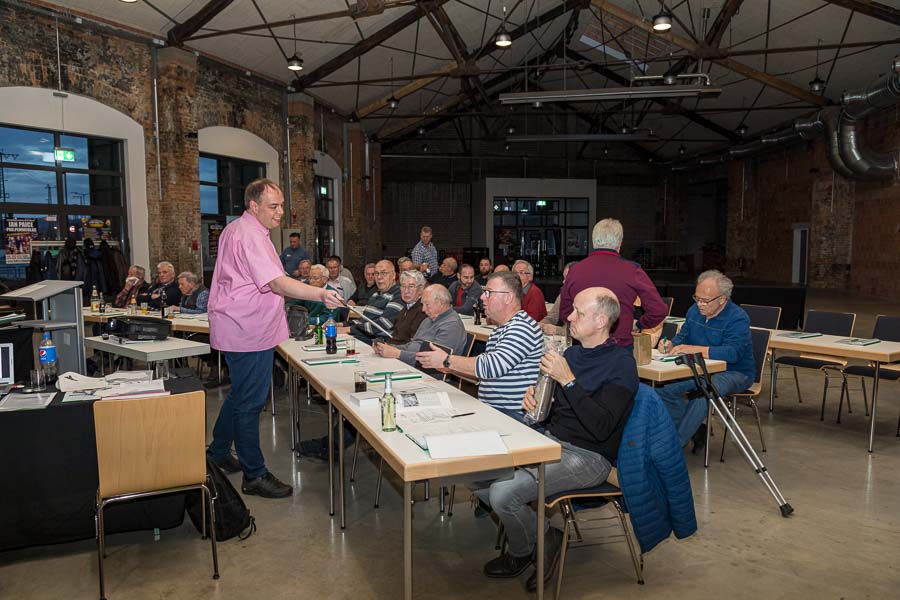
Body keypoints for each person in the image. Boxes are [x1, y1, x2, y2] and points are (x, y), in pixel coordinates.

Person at [472, 287, 638, 591]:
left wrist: (568, 380)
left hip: (590, 456)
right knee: (474, 473)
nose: (569, 317)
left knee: (502, 494)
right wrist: (535, 400)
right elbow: (553, 413)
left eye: (578, 312)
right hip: (551, 441)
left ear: (601, 321)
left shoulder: (621, 364)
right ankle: (544, 535)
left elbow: (601, 427)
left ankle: (525, 549)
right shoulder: (571, 354)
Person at [206, 178, 342, 499]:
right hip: (249, 330)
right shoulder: (251, 236)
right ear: (254, 206)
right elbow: (277, 283)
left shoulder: (236, 229)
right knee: (250, 403)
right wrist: (320, 293)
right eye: (273, 206)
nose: (281, 212)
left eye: (281, 205)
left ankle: (218, 451)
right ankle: (254, 474)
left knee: (240, 394)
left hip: (240, 325)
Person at [417, 271, 542, 422]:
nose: (482, 297)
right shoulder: (501, 328)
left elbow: (491, 366)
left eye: (489, 292)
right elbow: (484, 376)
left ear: (508, 297)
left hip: (512, 414)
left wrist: (447, 360)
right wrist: (451, 369)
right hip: (494, 409)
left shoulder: (521, 328)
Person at [658, 270, 754, 449]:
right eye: (697, 298)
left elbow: (733, 353)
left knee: (705, 391)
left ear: (722, 299)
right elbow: (683, 337)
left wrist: (696, 350)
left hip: (734, 372)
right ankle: (691, 429)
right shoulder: (694, 311)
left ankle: (674, 446)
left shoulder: (737, 318)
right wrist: (671, 344)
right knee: (663, 389)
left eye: (705, 300)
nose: (699, 304)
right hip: (700, 370)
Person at [559, 218, 667, 348]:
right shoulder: (632, 271)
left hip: (583, 346)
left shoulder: (575, 270)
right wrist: (639, 324)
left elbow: (565, 313)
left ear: (593, 242)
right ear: (620, 243)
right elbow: (658, 310)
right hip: (619, 346)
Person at [374, 284, 468, 367]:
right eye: (422, 304)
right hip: (413, 365)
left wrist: (397, 354)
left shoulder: (452, 326)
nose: (423, 309)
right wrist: (389, 347)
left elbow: (432, 360)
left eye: (427, 304)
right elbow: (412, 346)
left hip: (431, 373)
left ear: (440, 302)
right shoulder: (428, 319)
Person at [339, 259, 402, 342]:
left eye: (384, 273)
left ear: (393, 275)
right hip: (365, 336)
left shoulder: (398, 294)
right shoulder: (375, 295)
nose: (379, 277)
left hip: (381, 341)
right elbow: (363, 320)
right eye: (377, 273)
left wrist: (348, 329)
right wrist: (341, 324)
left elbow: (384, 324)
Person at [388, 270, 428, 344]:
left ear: (421, 289)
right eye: (403, 286)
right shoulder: (405, 308)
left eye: (411, 286)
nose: (406, 291)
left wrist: (390, 347)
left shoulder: (423, 310)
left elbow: (413, 344)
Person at [541, 261, 577, 335]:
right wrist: (541, 325)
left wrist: (558, 330)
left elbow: (582, 332)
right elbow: (552, 317)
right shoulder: (563, 293)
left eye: (567, 278)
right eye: (564, 278)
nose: (563, 282)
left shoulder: (587, 298)